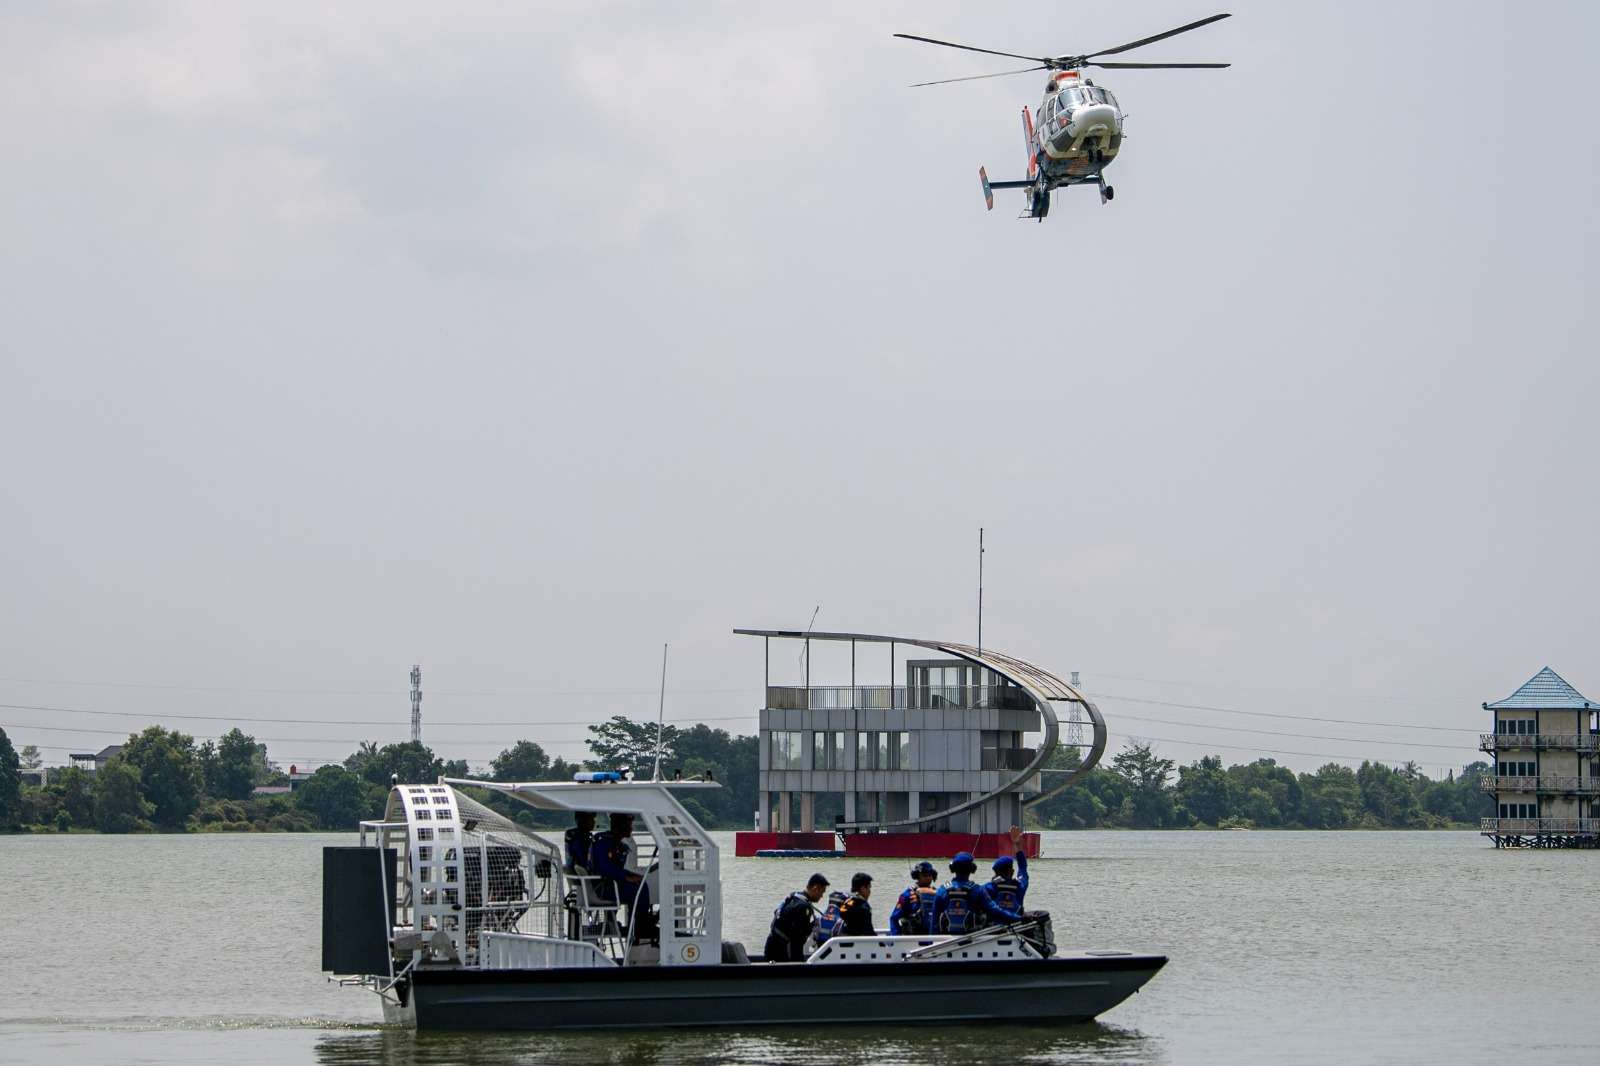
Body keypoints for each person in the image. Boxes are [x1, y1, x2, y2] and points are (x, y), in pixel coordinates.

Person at [933, 851, 1024, 935]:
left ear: (952, 869)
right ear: (972, 869)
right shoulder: (977, 890)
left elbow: (934, 921)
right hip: (971, 941)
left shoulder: (942, 890)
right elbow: (995, 910)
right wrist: (1019, 918)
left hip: (945, 942)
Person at [589, 812, 651, 923]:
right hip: (602, 889)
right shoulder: (604, 843)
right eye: (629, 825)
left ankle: (633, 924)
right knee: (640, 889)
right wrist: (627, 878)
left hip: (607, 886)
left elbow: (615, 868)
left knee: (640, 883)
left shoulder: (614, 843)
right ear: (621, 826)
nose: (631, 829)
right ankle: (639, 926)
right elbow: (605, 868)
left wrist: (631, 875)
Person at [764, 872, 828, 962]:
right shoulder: (803, 907)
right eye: (822, 892)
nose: (821, 896)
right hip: (783, 953)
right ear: (815, 888)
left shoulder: (794, 897)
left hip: (771, 948)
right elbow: (798, 939)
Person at [985, 824, 1030, 914]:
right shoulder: (1020, 886)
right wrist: (1017, 844)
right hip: (1016, 924)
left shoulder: (989, 887)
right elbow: (1022, 867)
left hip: (995, 925)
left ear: (995, 873)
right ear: (1012, 872)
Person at [889, 861, 939, 936]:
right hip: (913, 940)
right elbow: (894, 918)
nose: (928, 878)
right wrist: (896, 939)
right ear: (917, 876)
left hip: (934, 939)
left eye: (930, 875)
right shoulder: (908, 895)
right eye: (925, 875)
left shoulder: (938, 894)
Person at [836, 872, 875, 937]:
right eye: (869, 888)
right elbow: (869, 932)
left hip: (839, 942)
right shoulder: (863, 906)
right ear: (863, 888)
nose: (869, 891)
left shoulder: (844, 901)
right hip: (855, 944)